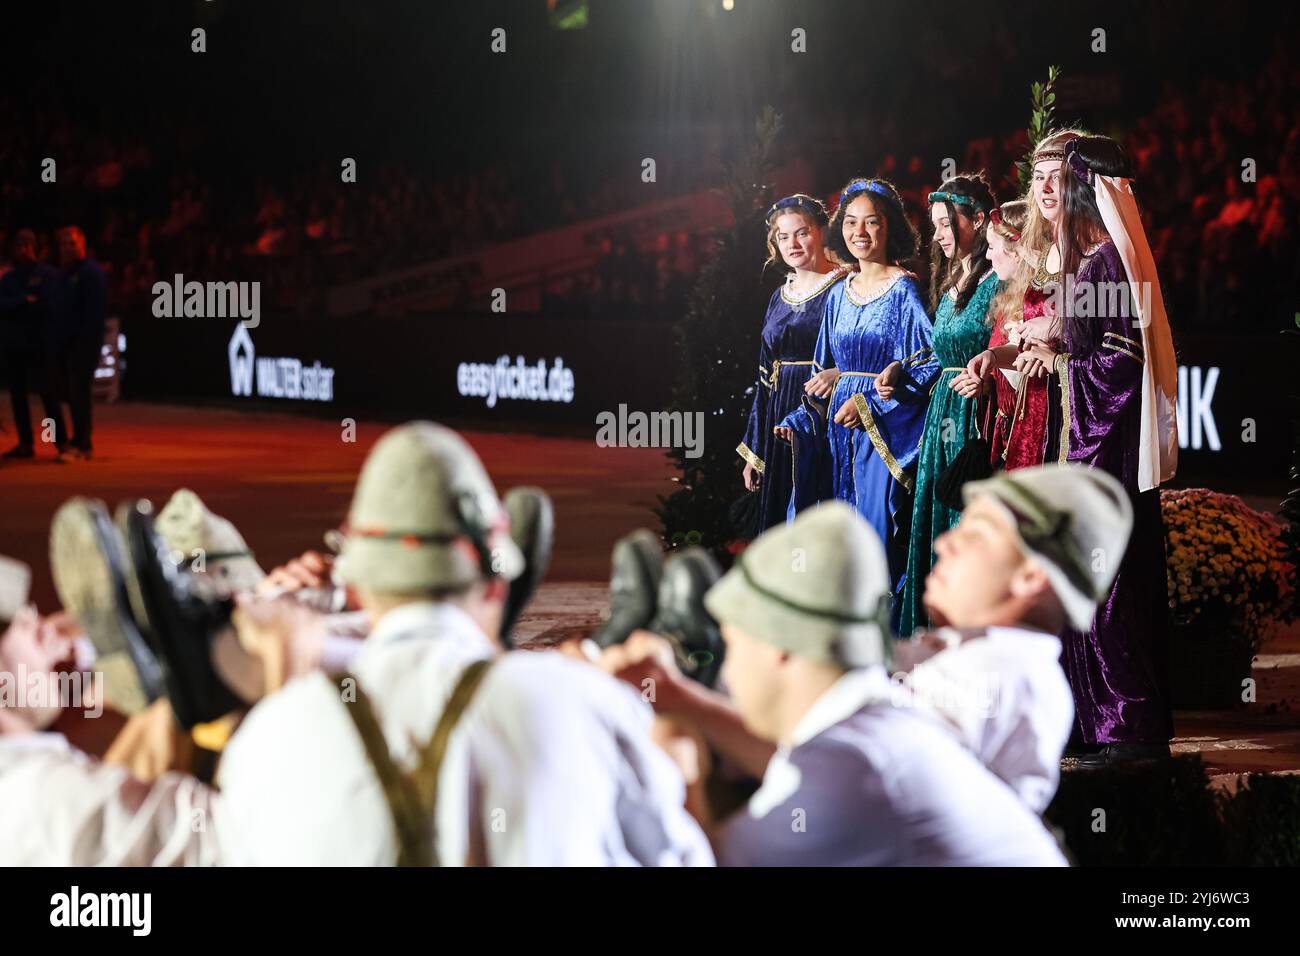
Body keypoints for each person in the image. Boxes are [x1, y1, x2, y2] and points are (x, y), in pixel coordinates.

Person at [215, 422, 713, 864]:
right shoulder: (591, 704)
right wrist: (682, 761)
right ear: (497, 584)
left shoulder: (267, 738)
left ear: (360, 590)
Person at [602, 499, 1069, 866]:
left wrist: (674, 752)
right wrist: (671, 696)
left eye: (731, 644)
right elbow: (793, 758)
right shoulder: (874, 730)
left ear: (779, 647)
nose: (728, 672)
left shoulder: (854, 769)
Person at [1016, 134, 1179, 763]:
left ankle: (1126, 723)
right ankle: (1102, 721)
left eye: (1065, 180)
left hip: (1100, 443)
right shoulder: (1102, 261)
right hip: (1095, 439)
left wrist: (1055, 357)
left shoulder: (1102, 263)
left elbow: (1111, 358)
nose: (1053, 192)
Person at [778, 178, 939, 621]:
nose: (860, 232)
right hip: (835, 436)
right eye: (850, 222)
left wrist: (872, 400)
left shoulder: (906, 291)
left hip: (880, 437)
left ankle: (881, 645)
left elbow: (930, 364)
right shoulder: (838, 293)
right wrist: (801, 416)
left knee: (874, 540)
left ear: (891, 230)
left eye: (872, 222)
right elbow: (820, 371)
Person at [898, 174, 999, 636]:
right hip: (944, 410)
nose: (936, 235)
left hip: (975, 411)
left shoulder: (998, 278)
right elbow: (939, 351)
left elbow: (1006, 344)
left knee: (965, 521)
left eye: (945, 223)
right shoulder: (952, 275)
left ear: (978, 221)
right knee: (938, 518)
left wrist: (988, 378)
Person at [738, 194, 847, 533]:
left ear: (821, 232)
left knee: (814, 507)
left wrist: (839, 376)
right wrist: (755, 450)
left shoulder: (845, 286)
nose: (792, 243)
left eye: (801, 232)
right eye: (783, 237)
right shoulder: (778, 296)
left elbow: (860, 355)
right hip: (777, 419)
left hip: (824, 414)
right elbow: (764, 377)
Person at [0, 230, 65, 459]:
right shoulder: (9, 278)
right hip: (15, 344)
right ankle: (25, 444)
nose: (23, 249)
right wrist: (23, 301)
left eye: (27, 245)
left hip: (40, 343)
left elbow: (47, 303)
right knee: (18, 396)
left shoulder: (48, 274)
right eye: (19, 245)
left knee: (48, 395)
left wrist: (19, 305)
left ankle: (60, 442)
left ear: (35, 247)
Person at [54, 226, 109, 459]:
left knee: (80, 393)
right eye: (64, 244)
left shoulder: (91, 273)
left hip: (83, 344)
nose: (68, 248)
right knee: (72, 393)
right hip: (66, 343)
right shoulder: (63, 274)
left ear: (82, 245)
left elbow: (94, 314)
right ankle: (78, 442)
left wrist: (86, 343)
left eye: (72, 243)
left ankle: (82, 444)